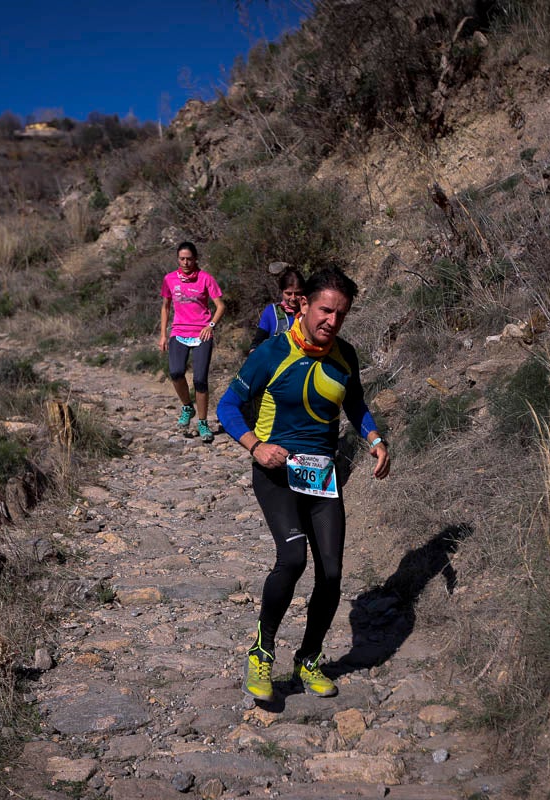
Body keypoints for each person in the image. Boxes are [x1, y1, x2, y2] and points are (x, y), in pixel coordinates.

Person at [217, 267, 390, 701]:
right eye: (326, 310)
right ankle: (260, 652)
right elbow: (227, 405)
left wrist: (374, 438)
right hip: (275, 471)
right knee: (293, 558)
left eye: (341, 314)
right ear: (304, 305)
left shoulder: (344, 355)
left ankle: (309, 659)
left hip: (320, 475)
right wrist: (255, 446)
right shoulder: (272, 352)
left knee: (331, 573)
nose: (331, 321)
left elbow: (354, 401)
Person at [159, 241, 225, 442]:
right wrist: (163, 334)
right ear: (177, 259)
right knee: (176, 372)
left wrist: (210, 326)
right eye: (182, 259)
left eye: (189, 258)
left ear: (195, 259)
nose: (186, 262)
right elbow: (165, 307)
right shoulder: (169, 279)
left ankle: (203, 423)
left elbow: (220, 306)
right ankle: (187, 406)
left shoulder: (206, 278)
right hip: (179, 331)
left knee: (199, 380)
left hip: (202, 333)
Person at [249, 267, 304, 353]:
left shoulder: (308, 313)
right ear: (282, 291)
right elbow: (257, 342)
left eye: (297, 293)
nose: (293, 298)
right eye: (288, 293)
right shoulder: (271, 312)